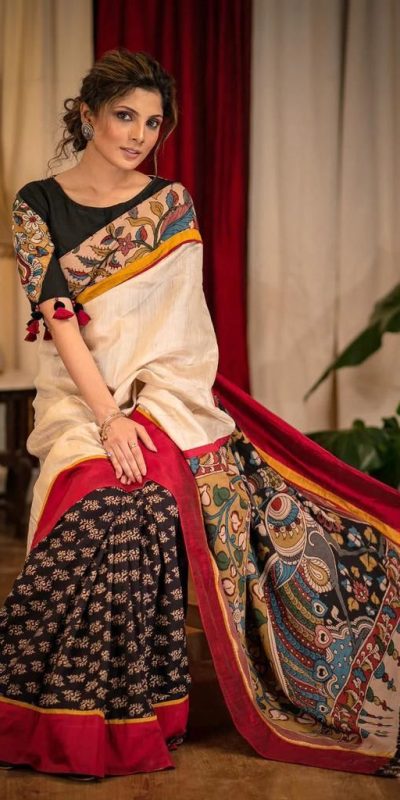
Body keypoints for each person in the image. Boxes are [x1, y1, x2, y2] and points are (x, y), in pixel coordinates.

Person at [0, 48, 399, 782]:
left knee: (144, 504)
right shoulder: (37, 202)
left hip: (166, 400)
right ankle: (43, 711)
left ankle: (140, 712)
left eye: (153, 123)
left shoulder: (170, 204)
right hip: (78, 399)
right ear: (87, 115)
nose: (138, 135)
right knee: (101, 505)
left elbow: (180, 334)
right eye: (125, 116)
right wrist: (108, 418)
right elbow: (58, 318)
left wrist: (143, 412)